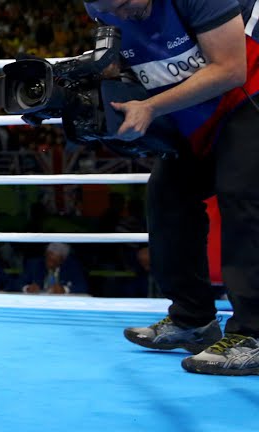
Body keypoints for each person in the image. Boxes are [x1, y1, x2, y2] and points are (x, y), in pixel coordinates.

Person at [84, 0, 259, 375]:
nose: (121, 14)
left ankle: (255, 335)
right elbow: (121, 56)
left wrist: (150, 108)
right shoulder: (101, 5)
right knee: (168, 197)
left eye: (125, 4)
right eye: (107, 8)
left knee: (242, 194)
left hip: (250, 92)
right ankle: (193, 320)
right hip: (196, 110)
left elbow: (231, 69)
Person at [15, 243, 88, 295]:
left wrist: (64, 289)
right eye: (48, 259)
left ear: (63, 260)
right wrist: (27, 288)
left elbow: (82, 287)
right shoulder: (34, 264)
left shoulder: (72, 266)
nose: (50, 264)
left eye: (54, 261)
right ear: (45, 255)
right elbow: (16, 284)